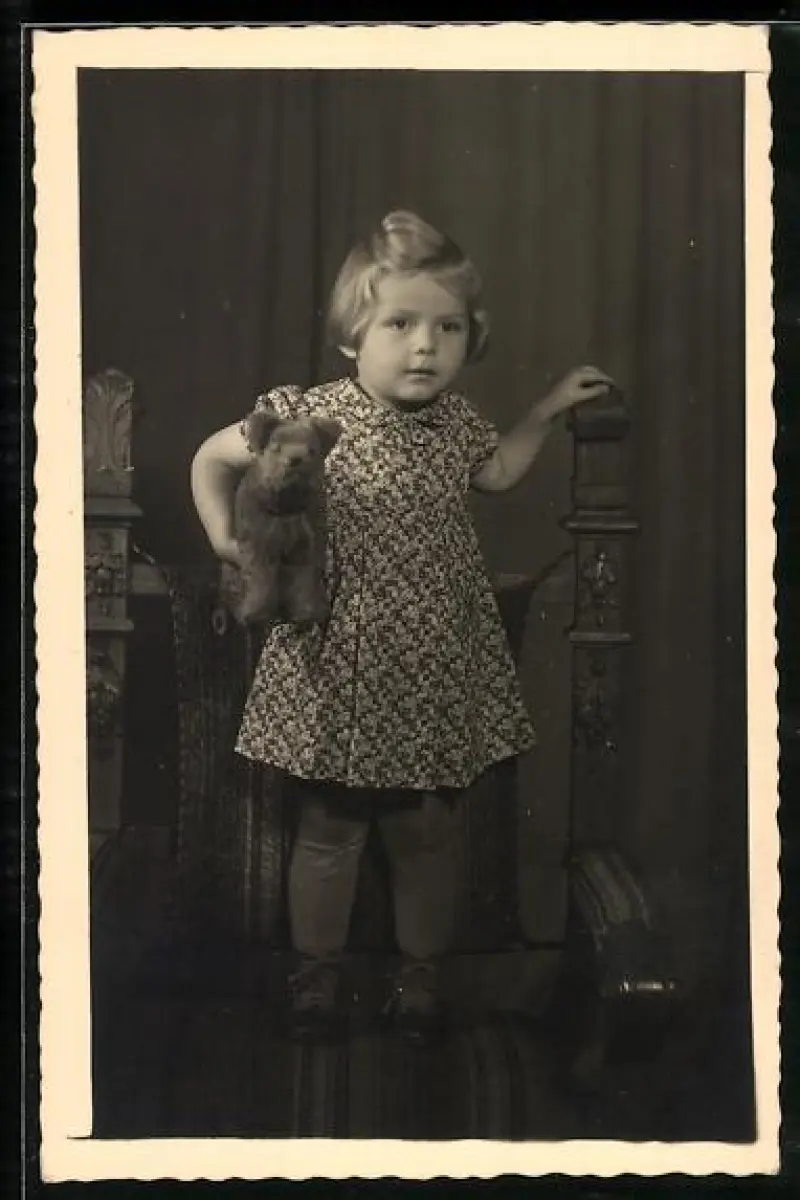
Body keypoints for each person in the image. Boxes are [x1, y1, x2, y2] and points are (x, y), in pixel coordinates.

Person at [191, 210, 613, 1042]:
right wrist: (224, 541)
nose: (426, 346)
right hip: (336, 658)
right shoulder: (307, 415)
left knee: (425, 833)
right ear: (353, 335)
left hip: (431, 662)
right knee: (330, 829)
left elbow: (499, 473)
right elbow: (212, 458)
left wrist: (546, 410)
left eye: (447, 328)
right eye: (400, 324)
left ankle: (419, 980)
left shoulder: (457, 424)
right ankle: (316, 978)